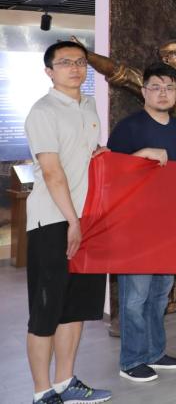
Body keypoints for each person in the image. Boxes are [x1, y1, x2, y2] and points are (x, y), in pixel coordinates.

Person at [24, 41, 111, 404]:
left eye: (80, 62)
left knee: (76, 307)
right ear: (49, 71)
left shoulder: (88, 105)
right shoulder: (43, 111)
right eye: (65, 63)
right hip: (53, 221)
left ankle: (65, 382)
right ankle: (42, 391)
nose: (75, 68)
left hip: (86, 220)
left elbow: (86, 155)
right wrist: (73, 222)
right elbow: (52, 172)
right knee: (46, 310)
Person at [108, 63, 176, 383]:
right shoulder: (128, 128)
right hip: (135, 225)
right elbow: (109, 174)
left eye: (169, 87)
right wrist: (141, 154)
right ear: (143, 91)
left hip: (168, 224)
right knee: (135, 297)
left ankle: (155, 352)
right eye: (156, 87)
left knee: (160, 294)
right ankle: (132, 359)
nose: (163, 93)